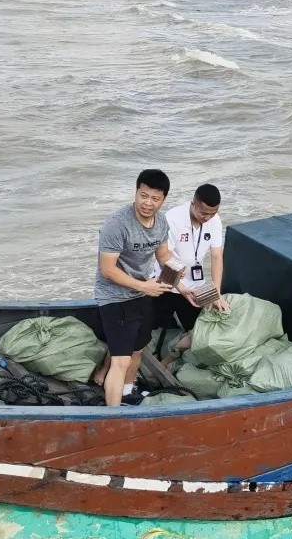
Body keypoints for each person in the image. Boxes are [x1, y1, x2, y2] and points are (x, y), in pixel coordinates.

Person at [92, 169, 194, 406]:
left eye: (154, 198)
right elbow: (107, 269)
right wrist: (143, 286)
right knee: (121, 361)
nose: (148, 203)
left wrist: (182, 284)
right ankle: (113, 418)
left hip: (142, 292)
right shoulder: (117, 224)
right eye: (143, 196)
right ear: (136, 193)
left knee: (137, 350)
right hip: (114, 297)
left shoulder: (161, 223)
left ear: (163, 200)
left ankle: (127, 392)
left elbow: (163, 255)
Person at [150, 183, 229, 356]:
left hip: (194, 283)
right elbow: (164, 257)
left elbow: (216, 256)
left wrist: (216, 293)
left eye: (213, 213)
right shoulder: (173, 218)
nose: (207, 218)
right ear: (193, 204)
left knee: (199, 328)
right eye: (203, 213)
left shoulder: (214, 221)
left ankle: (169, 362)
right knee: (148, 327)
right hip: (166, 280)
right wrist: (180, 288)